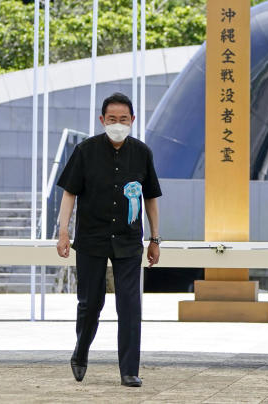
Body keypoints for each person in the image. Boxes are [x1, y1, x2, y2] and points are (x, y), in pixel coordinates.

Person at [55, 92, 162, 388]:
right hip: (91, 239)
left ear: (133, 121)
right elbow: (69, 193)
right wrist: (64, 232)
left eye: (123, 119)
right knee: (90, 303)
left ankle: (129, 370)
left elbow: (150, 197)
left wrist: (155, 238)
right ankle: (80, 351)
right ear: (102, 120)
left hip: (128, 241)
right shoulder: (85, 151)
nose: (118, 124)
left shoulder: (142, 153)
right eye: (112, 119)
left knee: (130, 305)